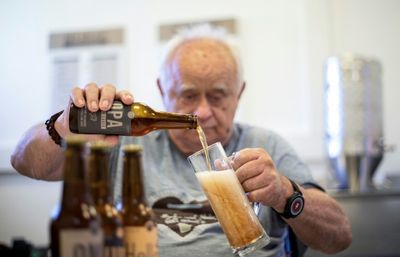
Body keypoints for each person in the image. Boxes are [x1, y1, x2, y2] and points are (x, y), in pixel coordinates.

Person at [11, 24, 351, 256]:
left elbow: (339, 236)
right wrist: (66, 124)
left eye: (218, 96)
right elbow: (25, 161)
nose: (201, 113)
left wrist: (284, 192)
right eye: (188, 95)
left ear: (239, 93)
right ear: (162, 90)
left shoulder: (266, 145)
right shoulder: (123, 145)